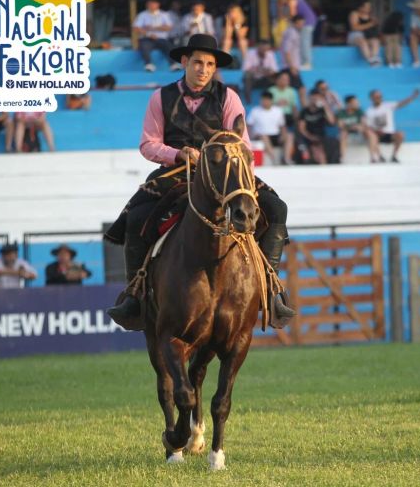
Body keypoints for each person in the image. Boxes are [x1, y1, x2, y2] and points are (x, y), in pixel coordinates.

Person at [104, 34, 295, 331]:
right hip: (177, 172)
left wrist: (237, 172)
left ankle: (272, 289)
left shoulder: (229, 97)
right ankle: (135, 296)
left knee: (277, 208)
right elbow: (148, 144)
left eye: (209, 64)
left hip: (225, 174)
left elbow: (242, 145)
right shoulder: (160, 97)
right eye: (197, 63)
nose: (203, 69)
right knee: (136, 217)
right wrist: (178, 154)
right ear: (184, 62)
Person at [365, 88, 420, 163]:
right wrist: (376, 131)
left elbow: (402, 103)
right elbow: (369, 126)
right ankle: (377, 156)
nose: (379, 98)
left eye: (380, 96)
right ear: (371, 98)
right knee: (371, 135)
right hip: (377, 134)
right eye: (377, 97)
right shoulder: (369, 111)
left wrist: (413, 96)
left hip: (389, 133)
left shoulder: (387, 105)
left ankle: (394, 155)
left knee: (401, 134)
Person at [133, 0, 179, 73]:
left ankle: (173, 64)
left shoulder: (164, 14)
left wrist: (152, 28)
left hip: (161, 39)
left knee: (168, 46)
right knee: (144, 47)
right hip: (146, 38)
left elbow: (169, 27)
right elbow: (136, 28)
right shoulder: (142, 15)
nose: (152, 5)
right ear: (147, 4)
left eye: (154, 3)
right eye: (150, 3)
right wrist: (148, 34)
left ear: (158, 5)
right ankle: (149, 64)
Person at [247, 91, 293, 165]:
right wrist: (249, 138)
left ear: (271, 101)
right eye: (263, 100)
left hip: (275, 136)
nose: (265, 102)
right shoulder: (255, 111)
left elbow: (282, 126)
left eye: (267, 100)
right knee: (264, 136)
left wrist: (283, 136)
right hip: (260, 136)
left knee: (290, 136)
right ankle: (274, 159)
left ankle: (286, 158)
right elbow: (248, 126)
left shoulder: (278, 111)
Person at [297, 89, 336, 164]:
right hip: (307, 137)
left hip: (321, 137)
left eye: (317, 98)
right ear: (309, 98)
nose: (315, 100)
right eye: (313, 98)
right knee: (310, 151)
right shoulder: (304, 111)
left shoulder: (322, 110)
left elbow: (332, 122)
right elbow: (301, 128)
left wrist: (325, 107)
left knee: (321, 152)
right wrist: (310, 137)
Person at [336, 94, 378, 163]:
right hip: (347, 136)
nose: (358, 104)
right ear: (348, 104)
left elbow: (364, 124)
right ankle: (342, 158)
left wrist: (359, 127)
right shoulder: (341, 113)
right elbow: (340, 126)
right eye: (355, 103)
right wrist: (352, 127)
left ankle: (373, 156)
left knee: (370, 133)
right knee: (343, 133)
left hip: (359, 135)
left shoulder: (359, 111)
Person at [347, 0, 381, 66]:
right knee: (363, 42)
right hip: (355, 35)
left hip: (367, 36)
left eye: (370, 7)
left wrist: (376, 23)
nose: (369, 8)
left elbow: (375, 26)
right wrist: (370, 24)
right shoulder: (354, 13)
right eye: (367, 6)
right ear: (360, 7)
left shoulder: (370, 16)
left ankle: (374, 57)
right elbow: (354, 27)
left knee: (375, 41)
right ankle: (370, 60)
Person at [268, 70, 300, 140]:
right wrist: (277, 104)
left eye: (287, 79)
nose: (286, 81)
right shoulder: (271, 91)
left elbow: (294, 106)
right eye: (283, 79)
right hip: (274, 115)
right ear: (277, 80)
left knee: (299, 122)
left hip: (288, 115)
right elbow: (267, 106)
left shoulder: (292, 91)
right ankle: (283, 138)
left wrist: (297, 117)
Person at [289, 0, 317, 69]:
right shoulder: (300, 2)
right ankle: (305, 62)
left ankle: (307, 63)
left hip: (307, 24)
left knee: (305, 44)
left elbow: (294, 15)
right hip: (310, 22)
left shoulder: (294, 2)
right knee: (305, 43)